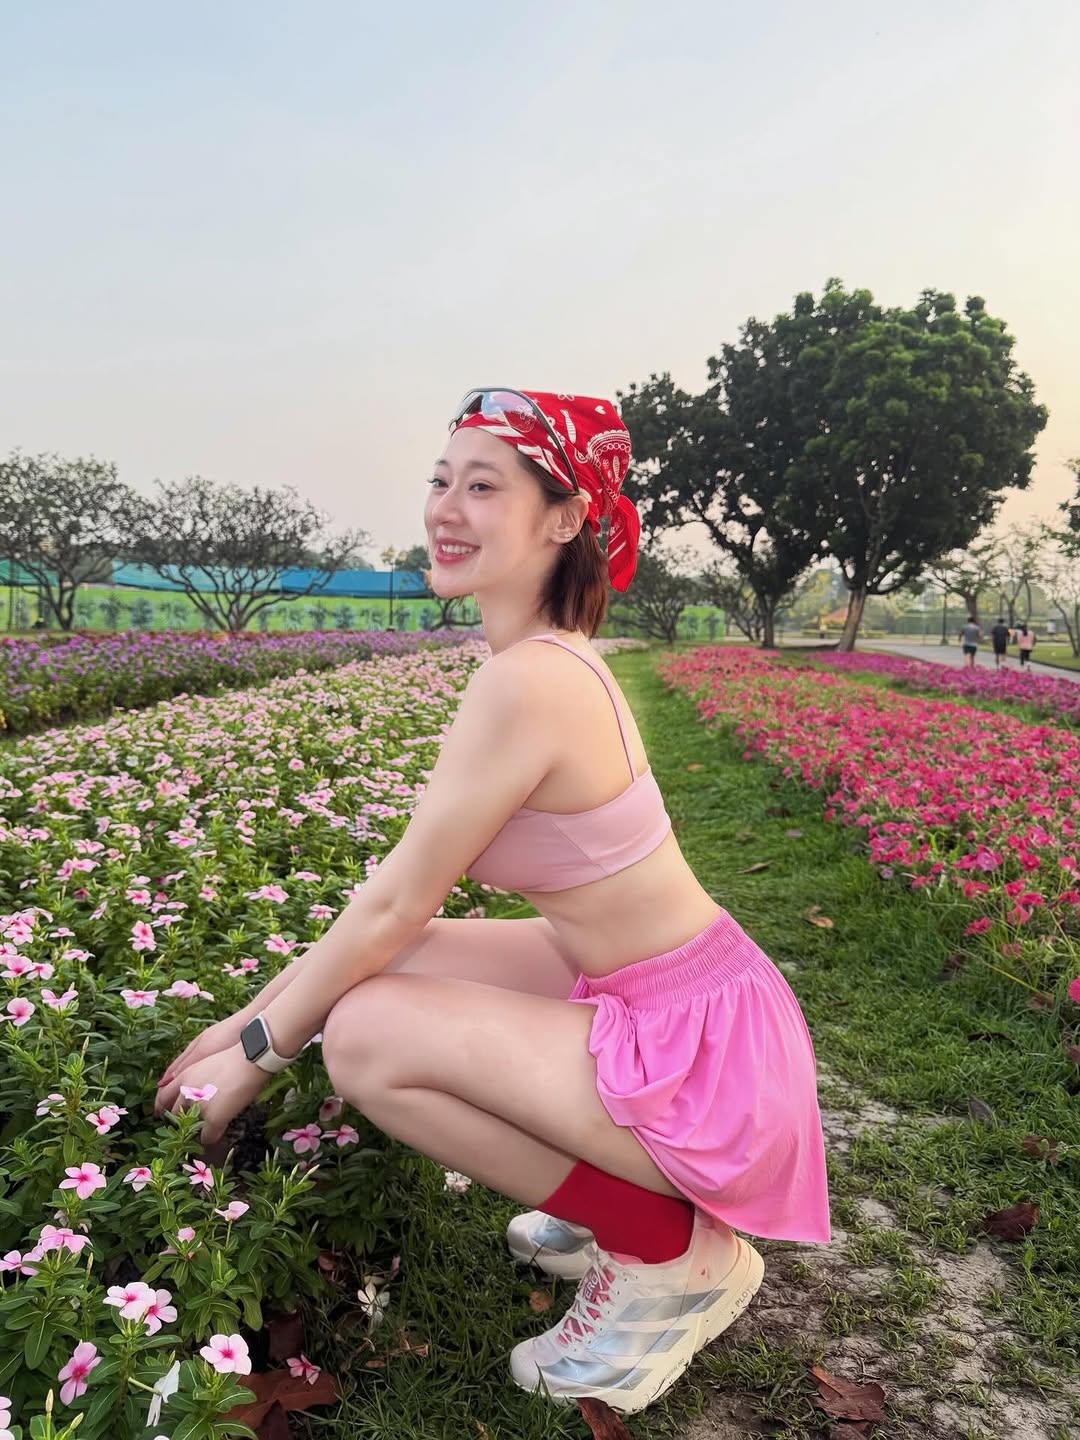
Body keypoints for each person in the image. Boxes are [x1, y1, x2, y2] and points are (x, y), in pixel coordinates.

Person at [155, 388, 830, 1416]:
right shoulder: (535, 664)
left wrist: (255, 1056)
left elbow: (390, 903)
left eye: (483, 486)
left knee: (367, 1036)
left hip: (699, 1053)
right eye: (441, 480)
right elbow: (395, 920)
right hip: (680, 999)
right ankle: (625, 1208)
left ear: (564, 519)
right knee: (403, 961)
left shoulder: (530, 683)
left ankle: (667, 1248)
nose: (447, 508)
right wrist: (239, 1024)